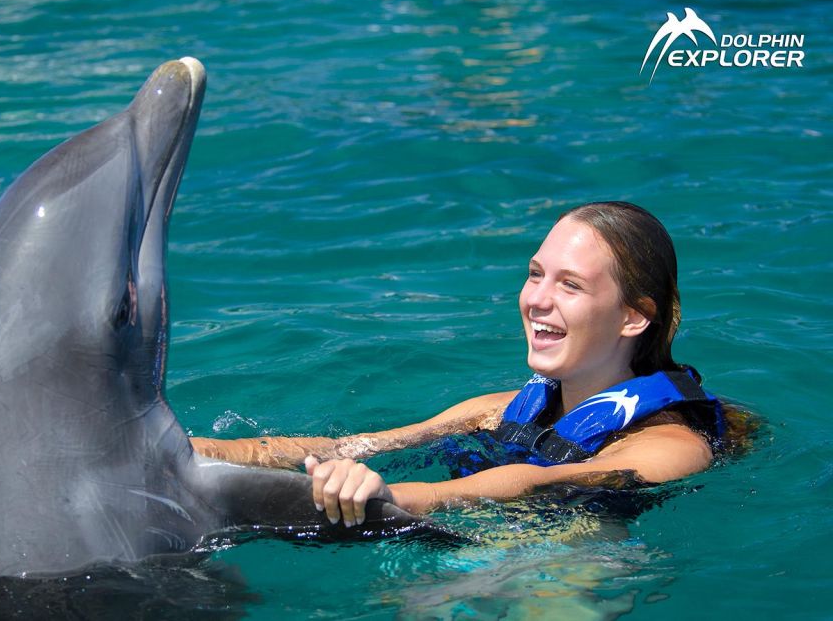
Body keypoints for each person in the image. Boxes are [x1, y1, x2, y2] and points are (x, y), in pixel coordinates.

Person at [189, 201, 725, 529]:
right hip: (473, 541)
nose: (537, 299)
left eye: (571, 284)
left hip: (581, 566)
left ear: (634, 317)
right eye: (536, 274)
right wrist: (196, 451)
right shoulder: (497, 411)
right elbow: (352, 446)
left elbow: (538, 481)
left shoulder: (673, 446)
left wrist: (395, 496)